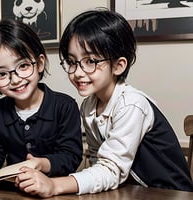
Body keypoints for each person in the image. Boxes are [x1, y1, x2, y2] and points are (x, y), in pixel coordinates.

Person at [15, 9, 193, 197]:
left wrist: (54, 185)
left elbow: (111, 169)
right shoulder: (88, 106)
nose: (77, 72)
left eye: (90, 61)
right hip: (133, 193)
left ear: (118, 65)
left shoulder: (131, 104)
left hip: (171, 194)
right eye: (72, 61)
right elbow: (96, 161)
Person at [0, 19, 83, 178]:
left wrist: (41, 163)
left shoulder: (65, 106)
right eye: (1, 74)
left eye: (23, 66)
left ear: (39, 64)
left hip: (56, 189)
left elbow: (71, 156)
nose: (16, 80)